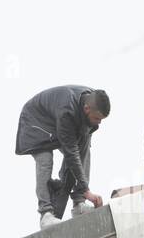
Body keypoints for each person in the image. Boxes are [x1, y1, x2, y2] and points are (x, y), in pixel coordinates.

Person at [14, 85, 111, 229]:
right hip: (35, 120)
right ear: (86, 109)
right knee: (45, 159)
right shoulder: (67, 111)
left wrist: (81, 193)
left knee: (84, 149)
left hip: (56, 121)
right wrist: (87, 189)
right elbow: (71, 152)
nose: (99, 122)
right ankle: (46, 214)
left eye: (101, 119)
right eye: (97, 118)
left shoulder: (91, 104)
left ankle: (79, 204)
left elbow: (79, 154)